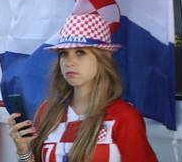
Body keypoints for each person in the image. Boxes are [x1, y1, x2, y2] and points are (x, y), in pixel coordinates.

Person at [8, 12, 158, 162]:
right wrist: (24, 151)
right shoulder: (47, 110)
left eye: (80, 52)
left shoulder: (124, 116)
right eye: (64, 53)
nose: (69, 62)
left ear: (104, 57)